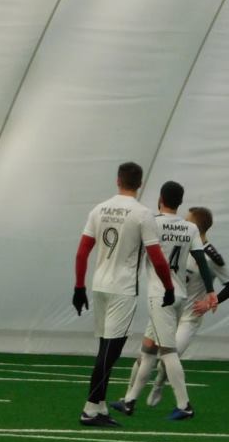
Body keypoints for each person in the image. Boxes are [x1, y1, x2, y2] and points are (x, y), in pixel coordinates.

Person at [73, 162, 175, 427]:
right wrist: (169, 287)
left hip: (99, 286)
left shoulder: (99, 209)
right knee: (110, 352)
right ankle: (90, 409)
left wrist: (79, 287)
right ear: (140, 184)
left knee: (104, 348)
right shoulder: (142, 214)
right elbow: (157, 258)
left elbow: (82, 252)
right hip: (123, 288)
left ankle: (100, 405)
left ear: (118, 180)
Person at [110, 183, 218, 420]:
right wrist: (211, 292)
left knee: (168, 352)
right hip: (180, 296)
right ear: (180, 202)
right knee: (148, 350)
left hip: (161, 296)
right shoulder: (190, 227)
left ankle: (184, 405)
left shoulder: (152, 223)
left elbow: (134, 255)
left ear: (160, 198)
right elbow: (201, 260)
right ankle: (129, 400)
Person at [146, 206, 229, 407]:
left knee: (169, 357)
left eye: (187, 220)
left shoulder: (211, 256)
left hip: (190, 317)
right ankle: (133, 395)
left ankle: (158, 385)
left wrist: (210, 302)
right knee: (153, 353)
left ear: (196, 226)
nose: (183, 223)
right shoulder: (183, 245)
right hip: (171, 309)